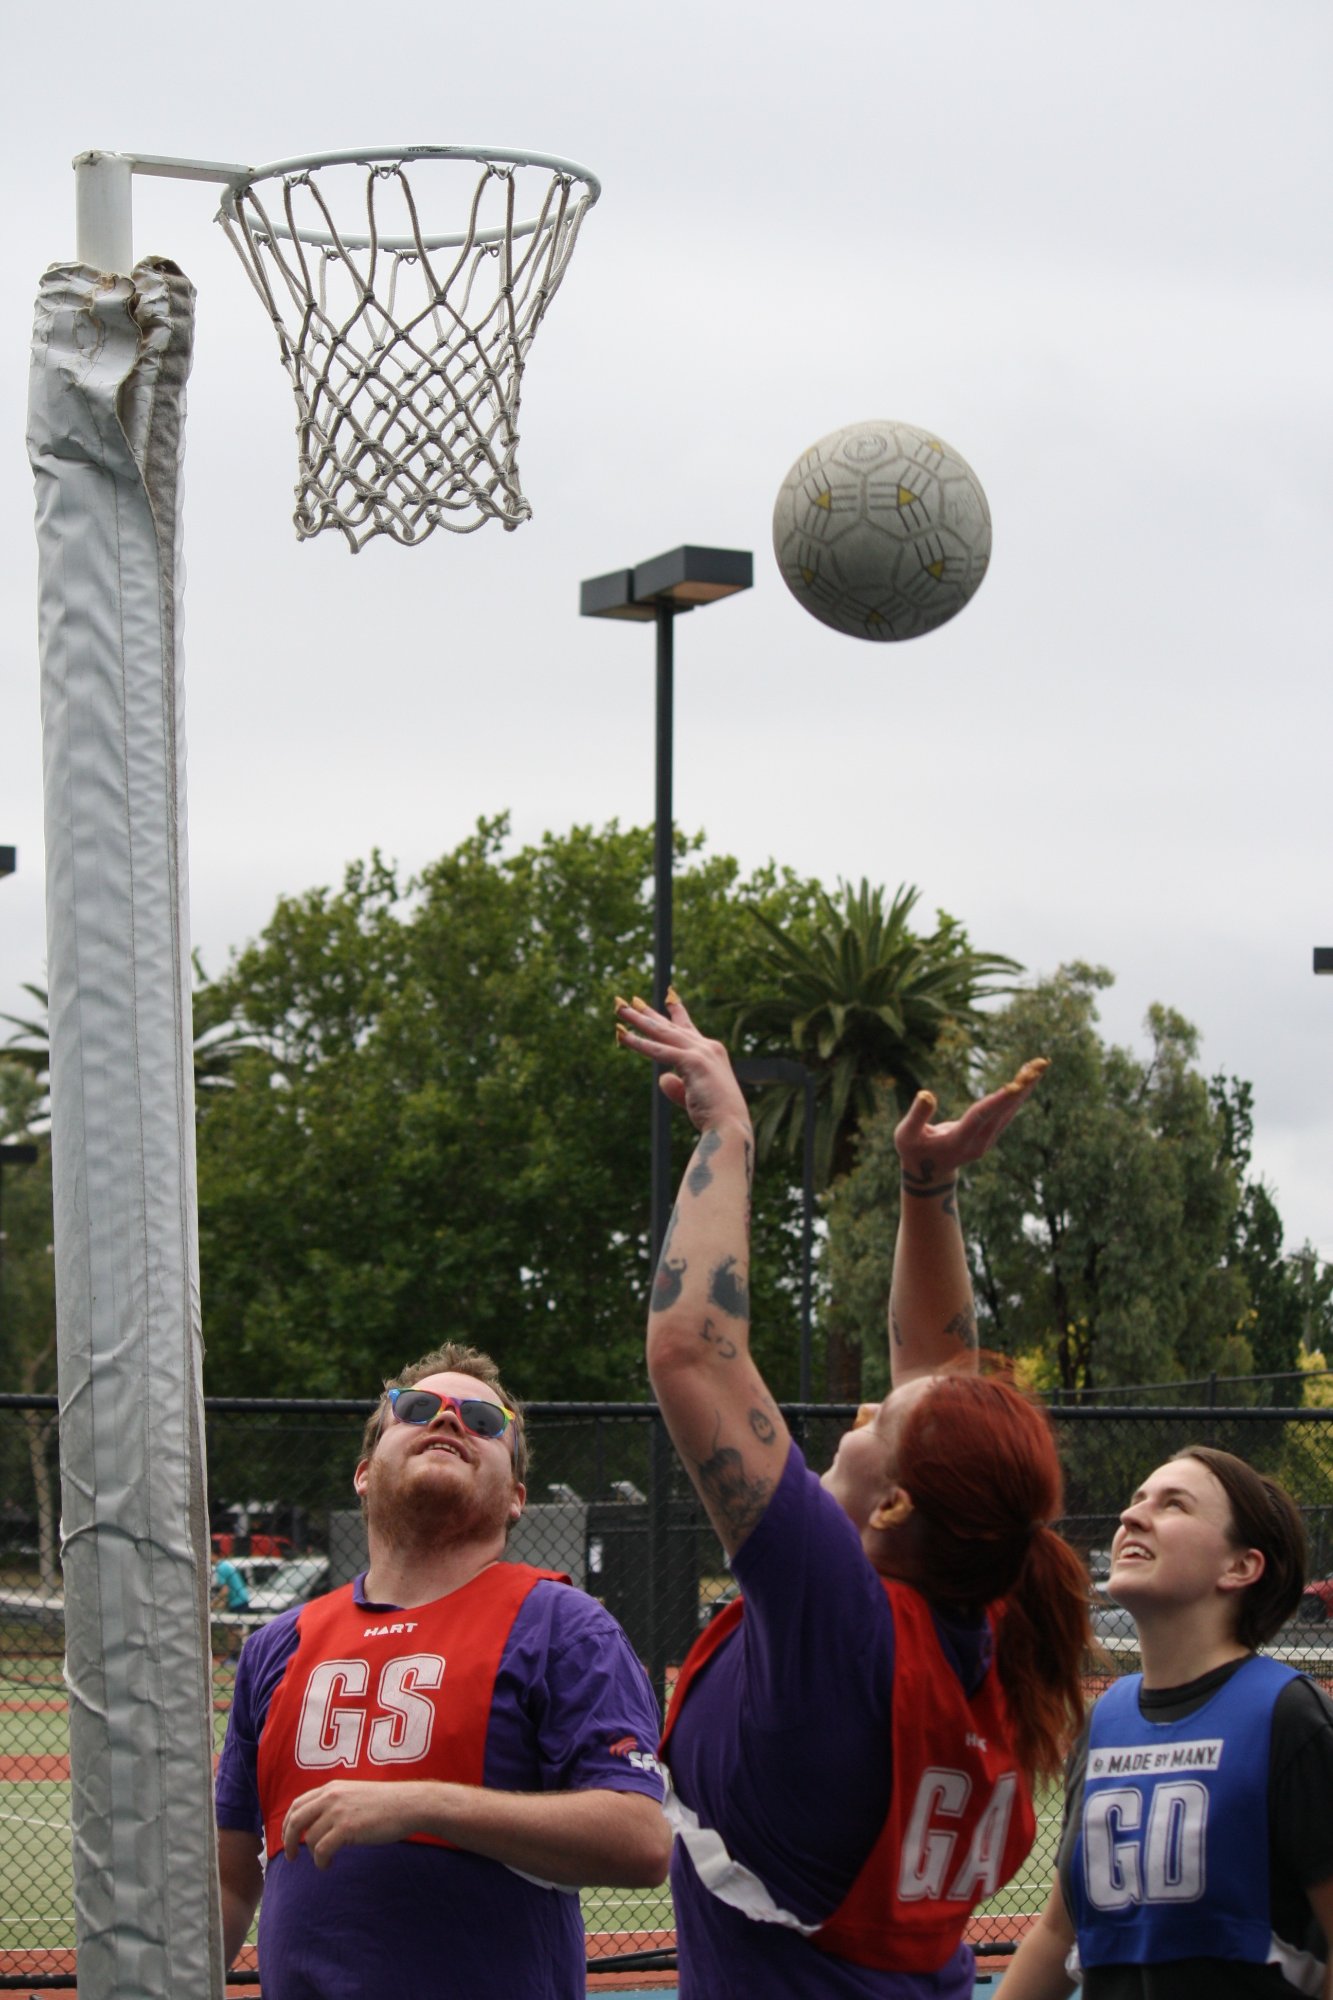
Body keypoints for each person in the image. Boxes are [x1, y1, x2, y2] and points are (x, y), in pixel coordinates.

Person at [615, 991, 1093, 1998]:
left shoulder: (845, 1622)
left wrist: (726, 1128)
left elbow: (690, 1351)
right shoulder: (984, 1619)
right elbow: (943, 1375)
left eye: (879, 1420)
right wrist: (927, 1183)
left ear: (890, 1510)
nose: (871, 1401)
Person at [214, 1342, 672, 1999]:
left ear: (515, 1498)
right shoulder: (276, 1647)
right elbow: (232, 1883)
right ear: (365, 1472)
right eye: (420, 1408)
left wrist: (420, 1802)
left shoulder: (563, 1627)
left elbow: (640, 1840)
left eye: (484, 1421)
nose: (450, 1420)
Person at [998, 1446, 1333, 2000]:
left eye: (1173, 1504)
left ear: (1241, 1566)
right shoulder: (1106, 1721)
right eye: (1135, 1501)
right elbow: (1060, 1932)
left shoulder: (1287, 1717)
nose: (1132, 1516)